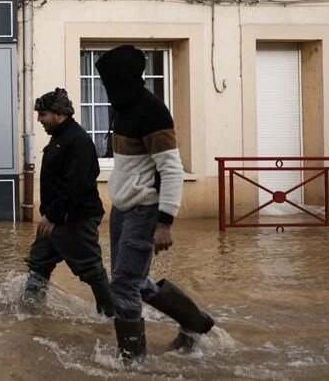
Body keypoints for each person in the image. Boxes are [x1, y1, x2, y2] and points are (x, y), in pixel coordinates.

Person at [95, 45, 214, 359]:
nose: (107, 87)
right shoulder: (122, 108)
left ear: (128, 77)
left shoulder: (152, 110)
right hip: (123, 209)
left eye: (111, 80)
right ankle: (194, 321)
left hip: (145, 210)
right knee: (132, 280)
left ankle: (132, 362)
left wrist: (165, 223)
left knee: (123, 285)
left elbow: (172, 170)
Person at [23, 88, 115, 318]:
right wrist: (51, 215)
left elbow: (76, 185)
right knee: (39, 263)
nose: (39, 120)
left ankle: (112, 317)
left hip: (74, 219)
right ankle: (29, 314)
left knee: (91, 270)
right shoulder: (60, 138)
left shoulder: (77, 140)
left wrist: (53, 215)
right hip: (55, 218)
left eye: (43, 115)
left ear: (59, 114)